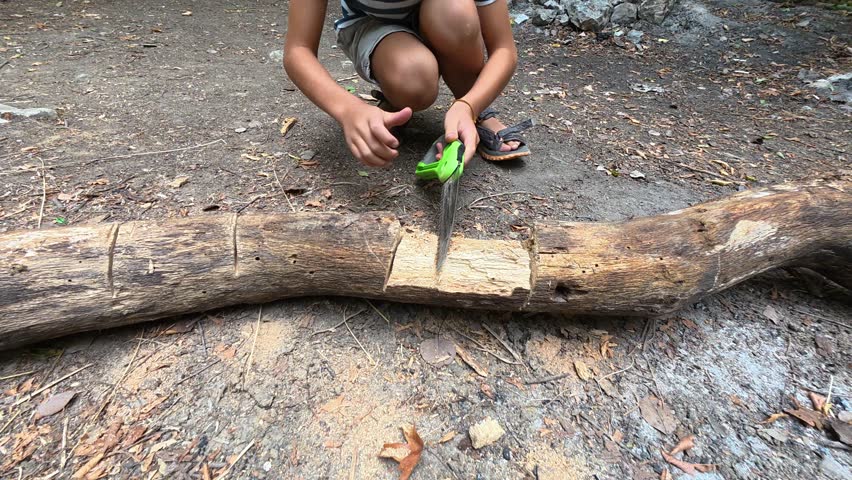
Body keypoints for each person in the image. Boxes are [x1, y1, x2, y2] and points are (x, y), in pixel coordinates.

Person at [283, 0, 532, 168]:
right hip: (373, 23)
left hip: (442, 15)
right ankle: (394, 94)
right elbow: (298, 50)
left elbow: (504, 50)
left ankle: (476, 110)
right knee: (414, 78)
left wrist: (469, 104)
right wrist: (349, 109)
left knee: (456, 15)